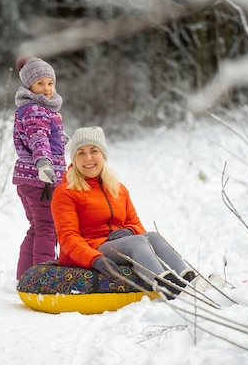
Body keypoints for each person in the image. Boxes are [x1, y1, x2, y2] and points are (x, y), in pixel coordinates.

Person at [50, 126, 196, 299]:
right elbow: (67, 237)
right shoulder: (65, 192)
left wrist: (130, 231)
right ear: (74, 158)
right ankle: (168, 288)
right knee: (135, 244)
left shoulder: (119, 189)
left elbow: (137, 226)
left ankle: (191, 281)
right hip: (89, 248)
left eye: (93, 151)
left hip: (120, 244)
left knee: (153, 236)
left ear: (103, 155)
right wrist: (94, 259)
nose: (88, 158)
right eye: (81, 153)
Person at [13, 56, 67, 279]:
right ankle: (43, 279)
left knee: (37, 227)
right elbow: (38, 139)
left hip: (28, 179)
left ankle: (25, 276)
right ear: (29, 86)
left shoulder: (34, 110)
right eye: (40, 84)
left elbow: (47, 137)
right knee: (47, 227)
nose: (46, 89)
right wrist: (44, 163)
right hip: (40, 179)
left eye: (50, 83)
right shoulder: (35, 110)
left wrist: (63, 138)